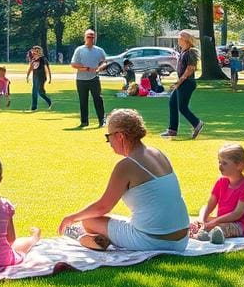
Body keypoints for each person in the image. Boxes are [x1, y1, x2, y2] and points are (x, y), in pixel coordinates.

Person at [58, 108, 190, 253]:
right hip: (181, 240)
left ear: (120, 136)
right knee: (110, 219)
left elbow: (103, 207)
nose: (109, 142)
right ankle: (91, 238)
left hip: (151, 240)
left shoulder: (126, 166)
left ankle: (85, 237)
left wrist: (72, 217)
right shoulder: (157, 153)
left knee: (89, 220)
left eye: (108, 136)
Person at [189, 144, 244, 244]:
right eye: (219, 162)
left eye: (224, 163)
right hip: (220, 220)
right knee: (197, 220)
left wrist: (214, 222)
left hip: (239, 225)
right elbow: (210, 204)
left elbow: (237, 214)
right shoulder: (221, 182)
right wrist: (202, 220)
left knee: (220, 228)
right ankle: (199, 232)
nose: (220, 166)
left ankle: (210, 235)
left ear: (239, 165)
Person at [161, 30, 203, 139]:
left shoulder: (190, 52)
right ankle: (172, 130)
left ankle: (197, 124)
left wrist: (179, 82)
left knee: (182, 107)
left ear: (185, 40)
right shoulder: (183, 52)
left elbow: (190, 69)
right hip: (183, 82)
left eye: (179, 38)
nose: (178, 40)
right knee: (173, 102)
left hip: (187, 83)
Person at [70, 29, 106, 128]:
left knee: (98, 100)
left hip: (94, 79)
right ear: (85, 38)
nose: (91, 39)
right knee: (83, 100)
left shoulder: (99, 50)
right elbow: (73, 64)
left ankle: (102, 120)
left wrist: (98, 69)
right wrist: (85, 68)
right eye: (89, 37)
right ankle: (84, 122)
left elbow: (104, 62)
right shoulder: (79, 50)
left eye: (92, 37)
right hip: (81, 80)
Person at [26, 45, 53, 111]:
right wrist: (27, 76)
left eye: (36, 51)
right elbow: (31, 68)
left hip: (42, 77)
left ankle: (35, 106)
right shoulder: (33, 60)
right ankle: (47, 102)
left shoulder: (43, 59)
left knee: (37, 91)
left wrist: (50, 78)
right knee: (38, 92)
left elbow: (47, 68)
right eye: (33, 51)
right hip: (35, 77)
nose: (33, 52)